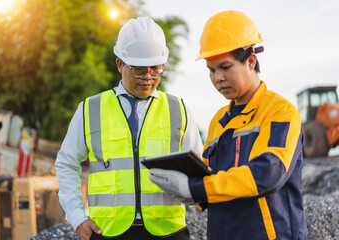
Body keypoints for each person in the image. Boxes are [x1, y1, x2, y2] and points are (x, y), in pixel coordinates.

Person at [149, 10, 308, 240]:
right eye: (211, 70)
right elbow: (210, 178)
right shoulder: (219, 120)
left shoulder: (280, 112)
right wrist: (187, 190)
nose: (217, 78)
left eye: (225, 67)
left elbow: (268, 173)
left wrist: (195, 188)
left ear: (251, 61)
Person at [55, 16, 203, 240]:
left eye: (156, 69)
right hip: (108, 232)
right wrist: (77, 218)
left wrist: (193, 193)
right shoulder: (90, 109)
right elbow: (67, 163)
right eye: (139, 70)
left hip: (168, 232)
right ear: (120, 64)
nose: (148, 78)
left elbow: (198, 170)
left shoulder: (179, 109)